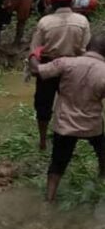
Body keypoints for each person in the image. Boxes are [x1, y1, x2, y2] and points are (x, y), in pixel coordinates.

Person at [28, 33, 105, 202]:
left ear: (87, 47)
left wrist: (33, 54)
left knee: (57, 165)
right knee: (102, 150)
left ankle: (49, 199)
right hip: (92, 124)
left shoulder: (66, 63)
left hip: (65, 124)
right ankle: (102, 175)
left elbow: (36, 71)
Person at [29, 0, 91, 151]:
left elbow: (35, 49)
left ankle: (42, 141)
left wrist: (34, 65)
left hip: (49, 67)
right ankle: (68, 140)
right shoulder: (82, 21)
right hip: (73, 67)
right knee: (71, 105)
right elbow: (86, 50)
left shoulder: (44, 22)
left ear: (52, 3)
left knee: (43, 105)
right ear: (71, 1)